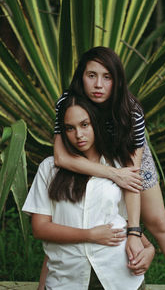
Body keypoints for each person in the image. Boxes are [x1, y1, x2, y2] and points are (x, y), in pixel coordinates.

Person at [53, 46, 165, 290]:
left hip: (130, 159)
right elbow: (61, 157)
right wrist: (113, 174)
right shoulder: (67, 103)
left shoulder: (131, 111)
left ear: (117, 80)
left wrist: (134, 231)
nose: (98, 84)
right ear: (81, 77)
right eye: (91, 75)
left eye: (107, 77)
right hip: (87, 156)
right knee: (76, 213)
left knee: (160, 223)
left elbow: (131, 175)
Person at [22, 95, 155, 290]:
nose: (78, 135)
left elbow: (121, 220)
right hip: (67, 280)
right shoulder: (49, 169)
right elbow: (40, 228)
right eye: (70, 128)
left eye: (85, 125)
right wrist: (90, 235)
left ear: (97, 124)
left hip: (119, 276)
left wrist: (149, 248)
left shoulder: (118, 168)